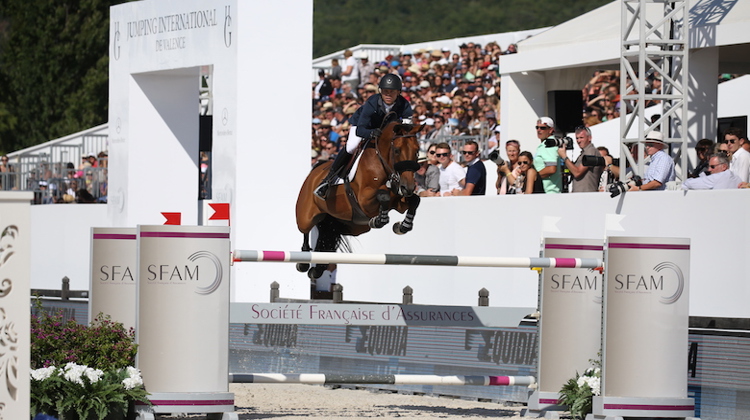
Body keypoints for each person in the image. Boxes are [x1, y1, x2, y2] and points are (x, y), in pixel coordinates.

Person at [314, 74, 412, 198]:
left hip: (386, 132)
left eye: (391, 92)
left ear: (398, 92)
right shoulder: (372, 103)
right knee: (351, 146)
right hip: (363, 127)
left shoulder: (404, 104)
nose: (388, 94)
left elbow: (407, 127)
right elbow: (360, 130)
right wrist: (371, 133)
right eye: (385, 91)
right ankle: (328, 181)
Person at [558, 126, 603, 192]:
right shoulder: (583, 153)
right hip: (581, 195)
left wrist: (564, 156)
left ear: (589, 138)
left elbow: (577, 172)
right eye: (577, 138)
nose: (578, 141)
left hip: (586, 195)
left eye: (581, 138)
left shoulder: (591, 151)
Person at [533, 117, 562, 193]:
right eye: (537, 127)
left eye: (542, 128)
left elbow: (551, 168)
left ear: (550, 130)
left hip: (549, 192)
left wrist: (533, 176)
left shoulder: (549, 144)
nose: (539, 130)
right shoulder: (544, 145)